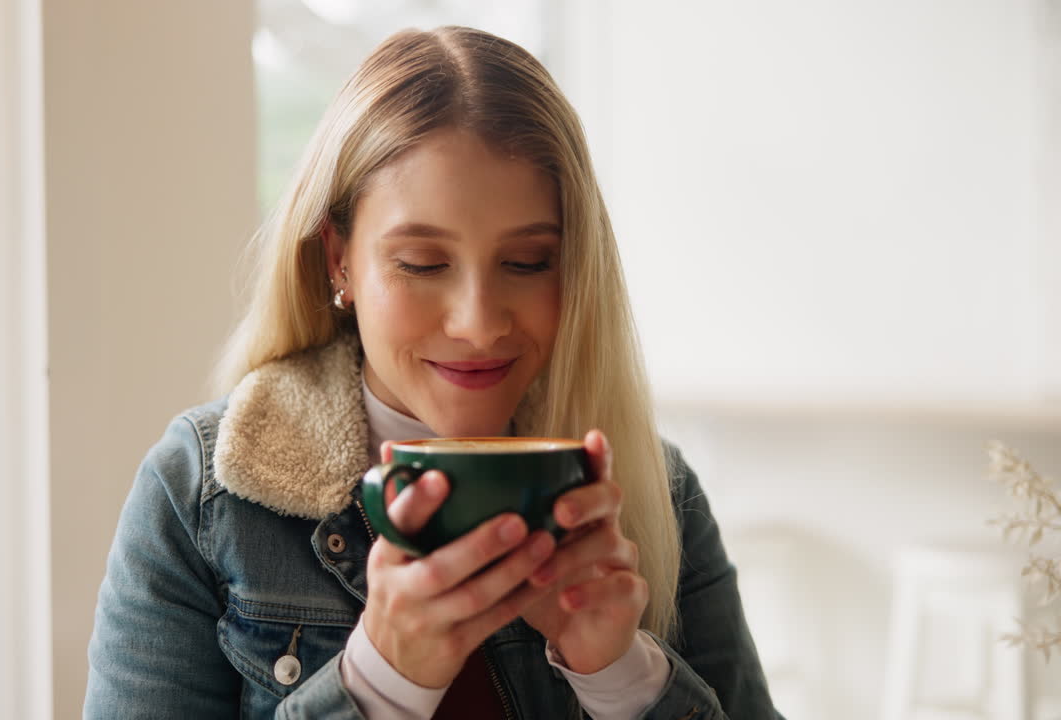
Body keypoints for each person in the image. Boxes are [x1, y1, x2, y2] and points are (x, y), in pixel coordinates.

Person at [84, 25, 784, 720]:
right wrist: (381, 681)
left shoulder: (658, 494)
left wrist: (622, 677)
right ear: (339, 260)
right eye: (421, 264)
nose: (479, 323)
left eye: (528, 261)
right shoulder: (201, 495)